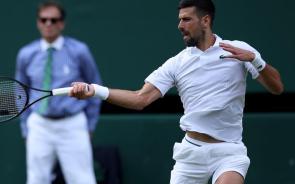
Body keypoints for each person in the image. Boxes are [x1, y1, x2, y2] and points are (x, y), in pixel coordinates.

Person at [70, 0, 284, 183]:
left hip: (229, 152)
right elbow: (140, 99)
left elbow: (277, 88)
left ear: (206, 21)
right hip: (190, 154)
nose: (180, 25)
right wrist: (94, 90)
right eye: (180, 19)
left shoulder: (239, 50)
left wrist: (256, 61)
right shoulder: (176, 63)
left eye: (186, 19)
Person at [15, 1, 102, 184]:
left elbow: (95, 87)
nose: (48, 24)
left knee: (83, 180)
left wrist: (89, 126)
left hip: (73, 124)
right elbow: (19, 93)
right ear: (38, 22)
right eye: (44, 19)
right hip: (39, 126)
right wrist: (26, 129)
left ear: (62, 23)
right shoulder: (26, 54)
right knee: (36, 180)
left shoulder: (79, 51)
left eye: (54, 20)